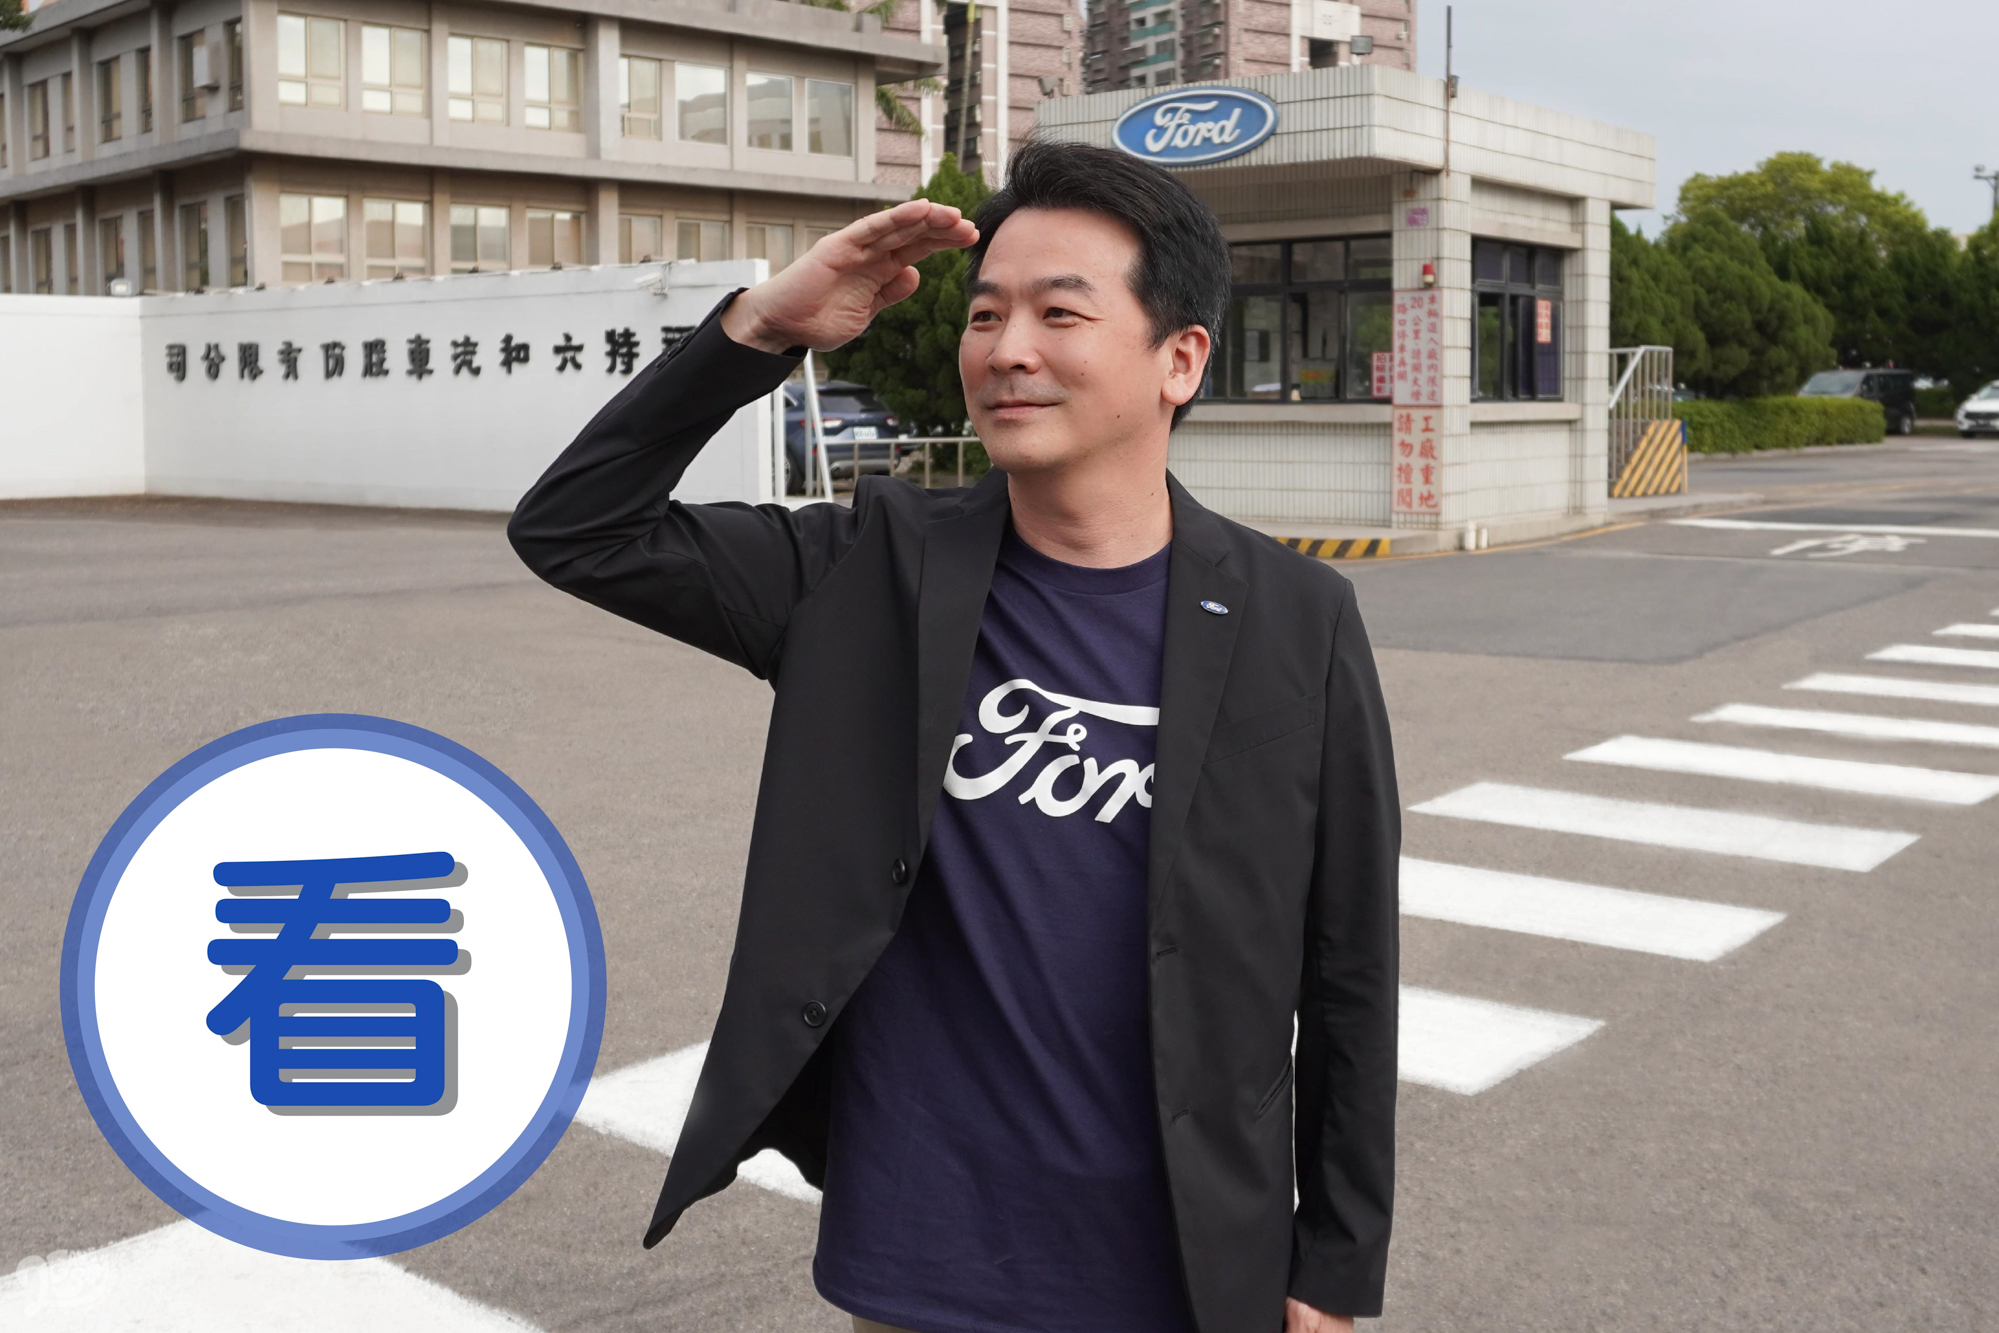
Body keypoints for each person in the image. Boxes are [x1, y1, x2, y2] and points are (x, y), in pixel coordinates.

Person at [508, 140, 1399, 1333]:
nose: (1006, 349)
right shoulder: (865, 571)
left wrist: (1333, 1261)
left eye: (1058, 313)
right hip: (922, 1258)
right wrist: (759, 330)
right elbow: (577, 529)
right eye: (985, 314)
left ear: (1178, 358)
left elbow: (1348, 962)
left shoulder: (1296, 618)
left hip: (1187, 1264)